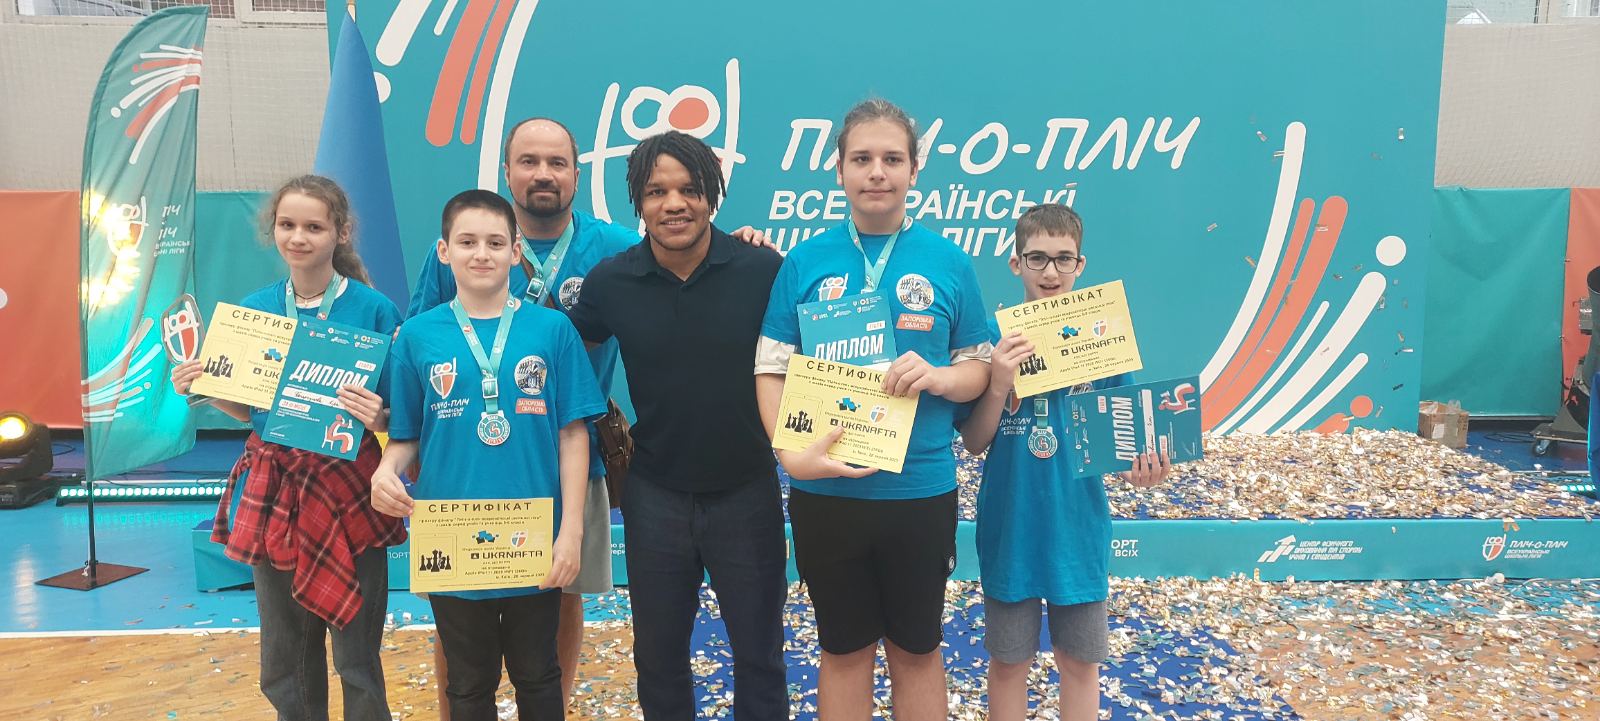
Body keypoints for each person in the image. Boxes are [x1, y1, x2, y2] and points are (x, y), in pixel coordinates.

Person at [406, 118, 773, 710]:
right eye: (656, 191)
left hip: (635, 469)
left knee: (570, 598)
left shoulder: (736, 267)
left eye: (556, 162)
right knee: (463, 608)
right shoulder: (600, 273)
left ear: (578, 175)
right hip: (504, 469)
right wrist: (396, 442)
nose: (673, 203)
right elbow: (420, 348)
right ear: (506, 172)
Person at [754, 99, 992, 721]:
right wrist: (791, 455)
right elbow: (770, 368)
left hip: (919, 491)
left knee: (917, 650)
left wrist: (940, 377)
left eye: (892, 158)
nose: (877, 172)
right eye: (862, 159)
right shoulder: (805, 261)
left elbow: (978, 369)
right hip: (827, 495)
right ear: (839, 171)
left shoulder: (948, 261)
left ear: (914, 170)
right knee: (842, 651)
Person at [565, 130, 789, 720]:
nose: (674, 204)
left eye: (690, 189)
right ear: (638, 201)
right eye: (656, 191)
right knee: (659, 659)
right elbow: (559, 352)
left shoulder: (762, 269)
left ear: (712, 195)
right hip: (655, 494)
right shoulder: (612, 281)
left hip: (747, 492)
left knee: (760, 657)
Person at [171, 174, 405, 721]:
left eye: (313, 227)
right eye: (287, 225)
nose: (298, 237)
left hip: (348, 484)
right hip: (274, 486)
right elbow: (252, 411)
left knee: (357, 656)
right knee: (284, 654)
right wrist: (202, 389)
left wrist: (380, 417)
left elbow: (399, 413)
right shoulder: (255, 310)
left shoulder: (374, 310)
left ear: (340, 232)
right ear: (273, 229)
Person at [372, 189, 606, 720]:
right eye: (467, 242)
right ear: (443, 251)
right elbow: (406, 434)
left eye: (496, 243)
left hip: (532, 533)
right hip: (451, 534)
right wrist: (386, 470)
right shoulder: (416, 337)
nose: (482, 253)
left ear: (516, 251)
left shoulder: (553, 330)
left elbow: (573, 434)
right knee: (467, 684)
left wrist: (571, 531)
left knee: (538, 676)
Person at [957, 203, 1170, 721]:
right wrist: (998, 384)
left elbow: (1127, 452)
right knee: (1009, 663)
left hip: (1078, 531)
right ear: (1016, 263)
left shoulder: (1104, 340)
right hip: (1011, 530)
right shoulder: (991, 338)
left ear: (1080, 264)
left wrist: (1146, 471)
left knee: (1079, 664)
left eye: (1063, 259)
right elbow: (975, 443)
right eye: (1037, 258)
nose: (1050, 271)